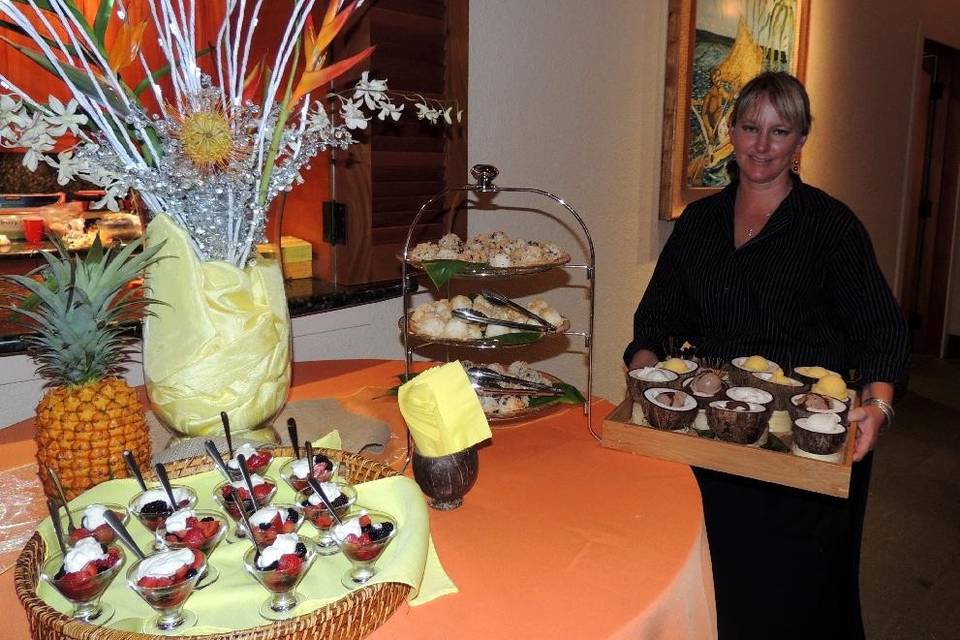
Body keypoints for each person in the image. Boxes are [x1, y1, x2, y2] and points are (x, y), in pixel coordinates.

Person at [623, 71, 909, 639]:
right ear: (731, 132)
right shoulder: (700, 223)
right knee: (718, 577)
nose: (761, 145)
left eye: (780, 131)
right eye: (751, 127)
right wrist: (647, 372)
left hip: (803, 435)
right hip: (715, 428)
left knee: (794, 595)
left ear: (802, 141)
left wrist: (878, 406)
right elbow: (658, 316)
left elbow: (880, 326)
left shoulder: (830, 226)